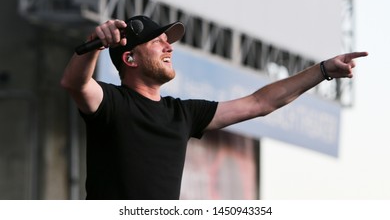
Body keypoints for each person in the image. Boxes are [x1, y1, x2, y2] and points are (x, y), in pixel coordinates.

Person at [61, 15, 368, 200]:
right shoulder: (112, 103)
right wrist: (96, 44)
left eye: (168, 40)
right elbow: (75, 84)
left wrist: (324, 70)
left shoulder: (182, 114)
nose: (169, 47)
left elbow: (261, 103)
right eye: (158, 41)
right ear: (130, 59)